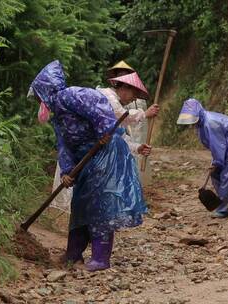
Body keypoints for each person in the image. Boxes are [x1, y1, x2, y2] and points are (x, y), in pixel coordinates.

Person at [29, 60, 148, 271]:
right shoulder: (58, 116)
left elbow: (98, 103)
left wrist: (104, 130)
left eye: (39, 95)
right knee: (80, 205)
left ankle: (101, 258)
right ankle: (73, 255)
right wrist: (67, 171)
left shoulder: (71, 95)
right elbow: (64, 145)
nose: (39, 99)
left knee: (99, 205)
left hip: (107, 152)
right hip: (87, 160)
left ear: (46, 90)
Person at [176, 98, 228, 218]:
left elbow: (218, 144)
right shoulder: (202, 123)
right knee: (216, 174)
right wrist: (216, 162)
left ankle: (224, 208)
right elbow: (215, 145)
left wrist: (217, 161)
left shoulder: (210, 123)